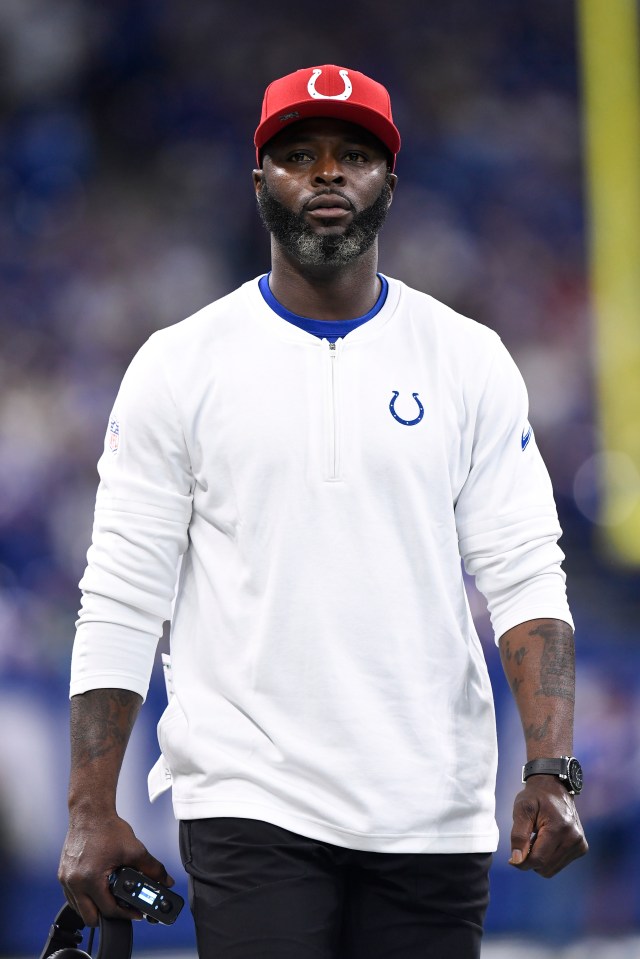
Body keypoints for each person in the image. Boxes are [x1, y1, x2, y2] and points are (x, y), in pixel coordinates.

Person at [58, 64, 587, 958]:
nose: (329, 172)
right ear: (259, 181)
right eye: (299, 154)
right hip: (249, 796)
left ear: (391, 183)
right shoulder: (179, 364)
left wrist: (551, 769)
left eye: (355, 155)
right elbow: (120, 594)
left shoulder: (468, 359)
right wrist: (88, 806)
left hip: (433, 806)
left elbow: (527, 572)